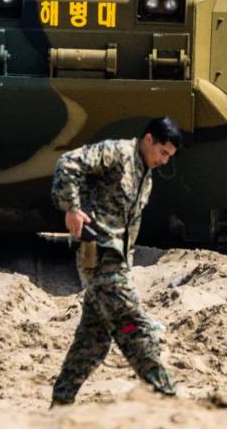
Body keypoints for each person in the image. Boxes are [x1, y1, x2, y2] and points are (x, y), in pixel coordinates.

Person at [49, 117, 182, 406]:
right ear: (148, 140)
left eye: (169, 156)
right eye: (162, 153)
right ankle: (168, 399)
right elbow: (68, 163)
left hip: (117, 261)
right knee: (133, 326)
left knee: (92, 341)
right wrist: (72, 209)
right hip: (99, 256)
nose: (163, 161)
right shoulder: (117, 153)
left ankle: (59, 405)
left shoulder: (145, 172)